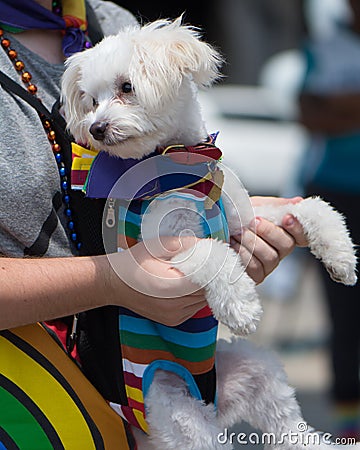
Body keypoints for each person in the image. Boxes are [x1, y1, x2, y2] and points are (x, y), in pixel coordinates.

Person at [0, 0, 308, 446]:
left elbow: (168, 177)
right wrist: (117, 280)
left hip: (143, 391)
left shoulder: (113, 24)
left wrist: (222, 223)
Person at [298, 0, 360, 439]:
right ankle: (348, 417)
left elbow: (324, 110)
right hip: (336, 190)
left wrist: (337, 106)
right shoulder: (324, 46)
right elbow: (308, 114)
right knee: (342, 309)